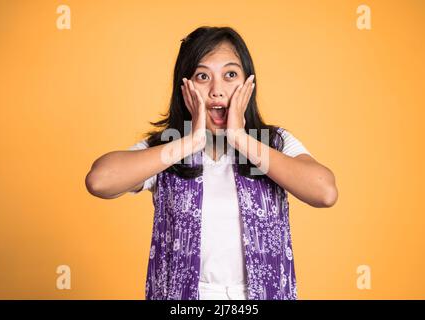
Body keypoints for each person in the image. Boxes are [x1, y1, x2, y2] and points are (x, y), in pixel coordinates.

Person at [85, 26, 338, 300]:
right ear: (185, 87)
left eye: (230, 75)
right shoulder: (168, 147)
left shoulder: (272, 143)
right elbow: (100, 181)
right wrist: (191, 142)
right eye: (203, 76)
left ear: (248, 83)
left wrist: (241, 139)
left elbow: (324, 192)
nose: (217, 91)